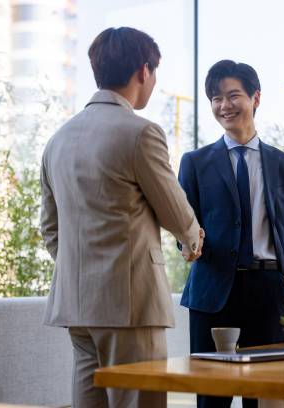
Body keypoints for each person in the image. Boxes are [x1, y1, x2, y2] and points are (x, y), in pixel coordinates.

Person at [40, 27, 203, 408]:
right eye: (155, 74)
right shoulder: (140, 133)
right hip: (129, 305)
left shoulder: (58, 140)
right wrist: (193, 240)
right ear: (143, 72)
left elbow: (50, 229)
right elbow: (175, 212)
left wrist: (83, 269)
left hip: (77, 307)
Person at [178, 60, 284, 408]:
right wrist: (187, 243)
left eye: (233, 95)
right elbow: (184, 223)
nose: (224, 105)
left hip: (269, 291)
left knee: (265, 395)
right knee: (212, 398)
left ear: (255, 98)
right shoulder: (194, 163)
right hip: (212, 294)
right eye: (215, 98)